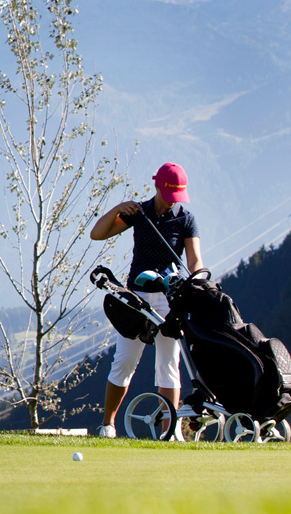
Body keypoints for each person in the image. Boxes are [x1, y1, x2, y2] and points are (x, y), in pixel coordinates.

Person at [87, 161, 204, 438]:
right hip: (136, 298)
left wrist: (196, 283)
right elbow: (97, 234)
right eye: (170, 193)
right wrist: (117, 209)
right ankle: (108, 425)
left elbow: (195, 260)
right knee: (124, 361)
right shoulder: (138, 213)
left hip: (170, 299)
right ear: (157, 187)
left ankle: (169, 431)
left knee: (168, 365)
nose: (174, 201)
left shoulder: (186, 219)